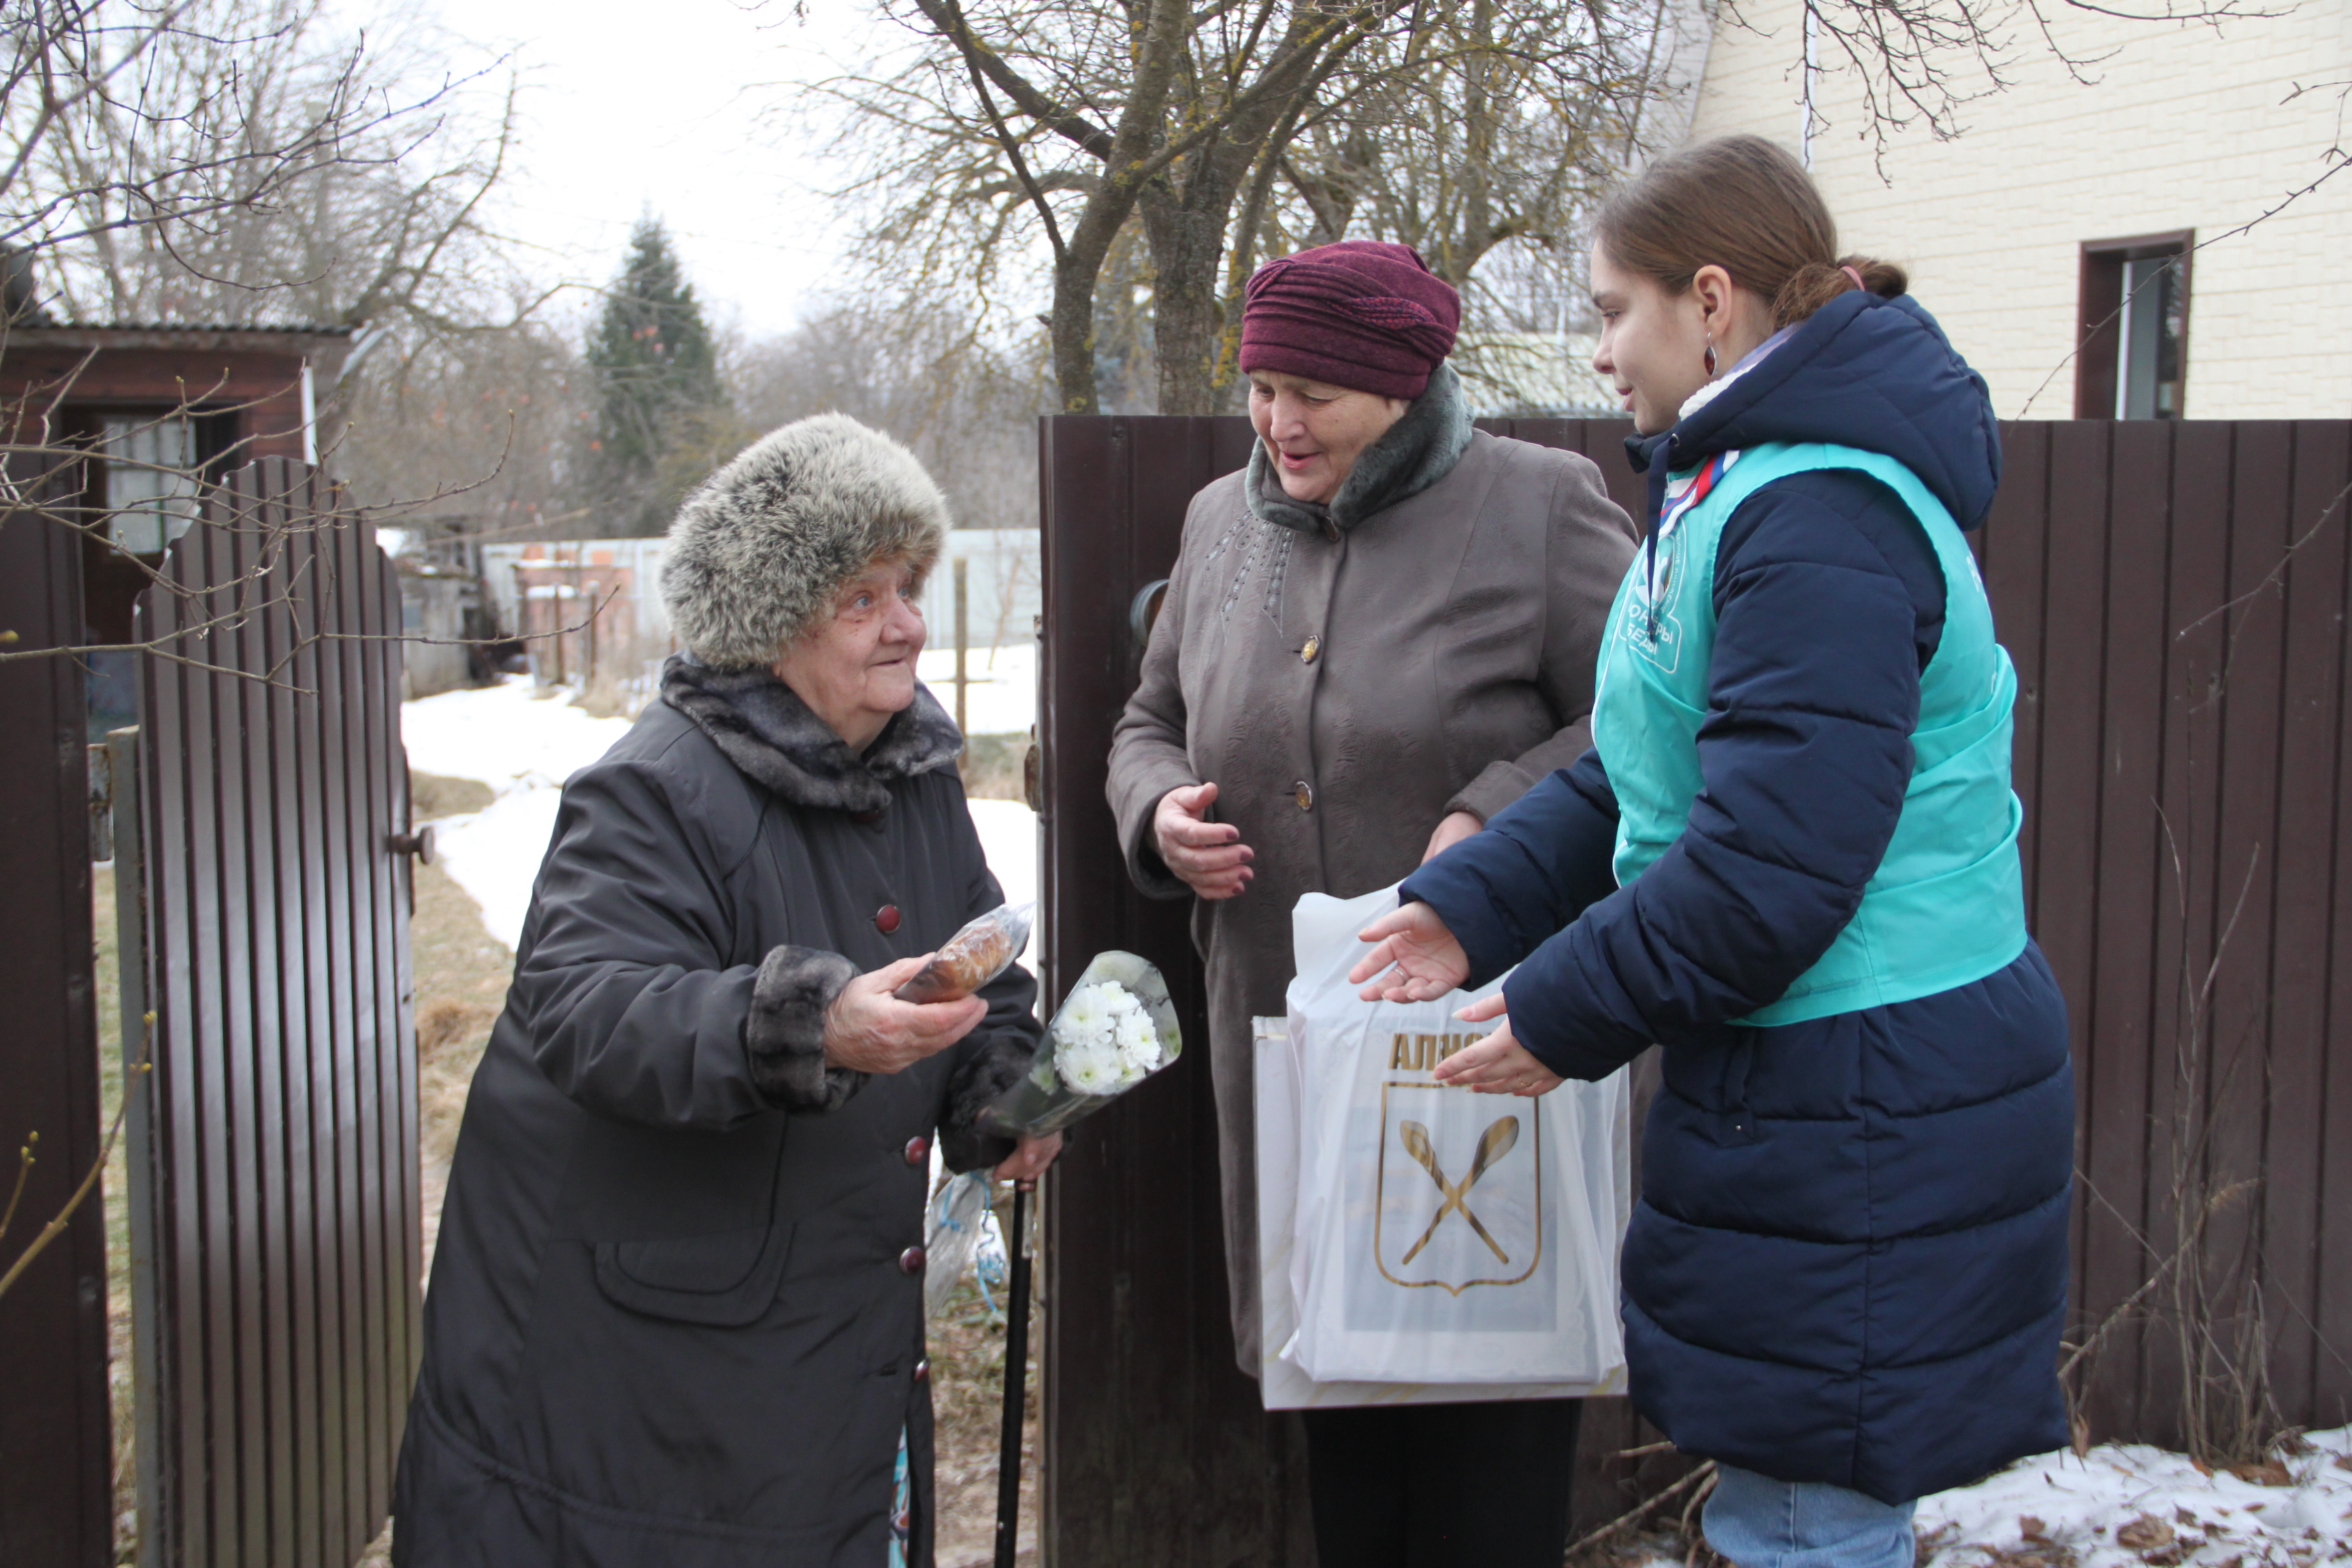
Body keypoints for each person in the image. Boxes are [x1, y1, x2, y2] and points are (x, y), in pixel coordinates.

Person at [1352, 135, 2074, 1568]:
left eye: (1613, 308)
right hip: (1820, 1081)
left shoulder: (1817, 515)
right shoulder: (1740, 484)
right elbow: (1651, 772)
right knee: (1793, 1500)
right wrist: (1467, 908)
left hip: (1866, 1090)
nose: (1602, 350)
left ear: (1713, 299)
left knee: (1807, 1517)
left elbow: (1771, 867)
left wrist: (1564, 1010)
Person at [392, 414, 1060, 1568]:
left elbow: (980, 962)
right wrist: (812, 1023)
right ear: (770, 622)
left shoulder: (911, 776)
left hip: (821, 1339)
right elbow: (585, 1008)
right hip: (645, 1376)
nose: (908, 623)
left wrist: (1000, 1093)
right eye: (864, 598)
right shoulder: (655, 789)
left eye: (909, 585)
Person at [1105, 240, 1639, 1565]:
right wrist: (1158, 808)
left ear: (1403, 387)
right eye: (1262, 387)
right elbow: (1148, 717)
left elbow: (1654, 723)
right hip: (1287, 1059)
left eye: (1314, 394)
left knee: (1484, 1424)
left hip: (1479, 1052)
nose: (1279, 422)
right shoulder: (1219, 527)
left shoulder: (1541, 506)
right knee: (1340, 1415)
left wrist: (1498, 815)